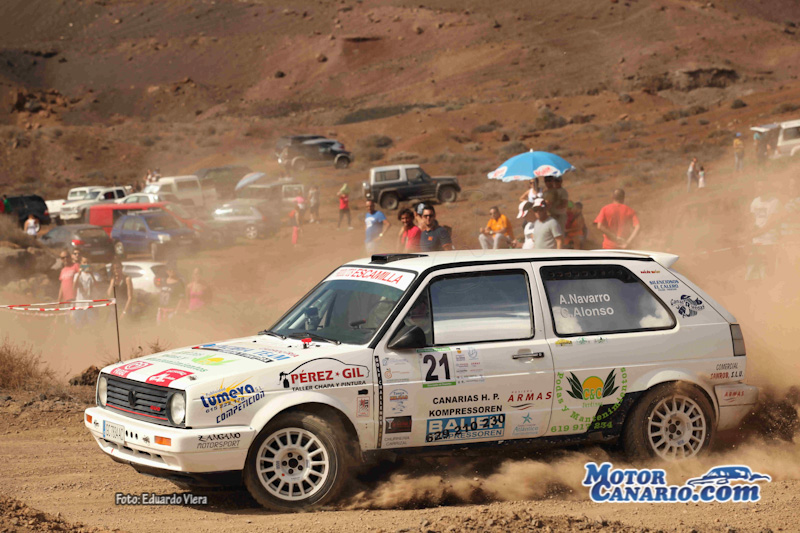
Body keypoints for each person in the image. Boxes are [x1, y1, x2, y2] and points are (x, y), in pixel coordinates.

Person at [746, 179, 780, 281]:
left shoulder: (774, 202)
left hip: (769, 239)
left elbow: (771, 223)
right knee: (756, 266)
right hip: (756, 239)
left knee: (769, 267)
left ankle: (771, 283)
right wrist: (751, 230)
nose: (760, 189)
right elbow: (752, 220)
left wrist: (755, 234)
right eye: (758, 187)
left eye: (762, 187)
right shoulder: (755, 202)